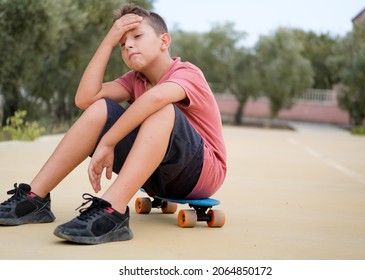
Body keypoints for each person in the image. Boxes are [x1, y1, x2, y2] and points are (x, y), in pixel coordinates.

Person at [0, 3, 226, 244]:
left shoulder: (187, 72)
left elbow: (157, 98)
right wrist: (107, 42)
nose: (128, 45)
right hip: (156, 177)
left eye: (137, 36)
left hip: (201, 173)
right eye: (122, 43)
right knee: (100, 108)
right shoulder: (134, 80)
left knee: (160, 108)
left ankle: (113, 211)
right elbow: (85, 98)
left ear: (164, 41)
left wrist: (108, 142)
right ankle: (35, 198)